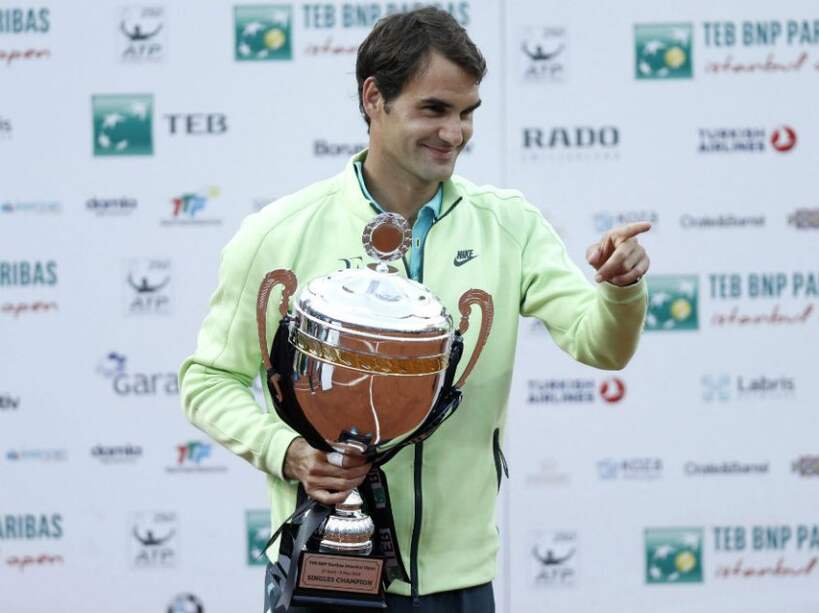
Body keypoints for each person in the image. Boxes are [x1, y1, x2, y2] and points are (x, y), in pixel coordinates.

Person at [179, 7, 649, 612]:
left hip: (458, 580)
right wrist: (288, 453)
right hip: (323, 567)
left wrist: (619, 289)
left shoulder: (510, 225)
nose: (454, 133)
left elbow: (601, 345)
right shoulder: (280, 232)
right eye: (434, 109)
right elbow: (208, 380)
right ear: (374, 98)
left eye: (467, 113)